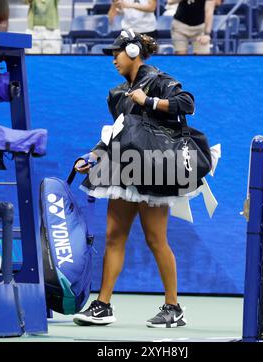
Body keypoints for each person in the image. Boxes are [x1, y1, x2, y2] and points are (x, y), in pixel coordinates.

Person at [72, 29, 196, 328]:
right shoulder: (116, 94)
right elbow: (118, 131)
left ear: (132, 52)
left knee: (156, 239)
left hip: (154, 167)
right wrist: (94, 154)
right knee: (114, 237)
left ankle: (173, 307)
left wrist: (149, 101)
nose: (113, 59)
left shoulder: (159, 80)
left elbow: (187, 104)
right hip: (124, 167)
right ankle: (102, 305)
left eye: (116, 53)